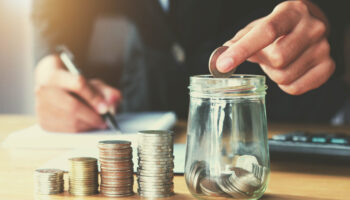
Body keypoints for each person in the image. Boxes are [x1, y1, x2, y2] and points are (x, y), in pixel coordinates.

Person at [32, 0, 349, 132]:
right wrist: (50, 63)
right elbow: (57, 13)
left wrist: (321, 16)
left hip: (282, 118)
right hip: (148, 104)